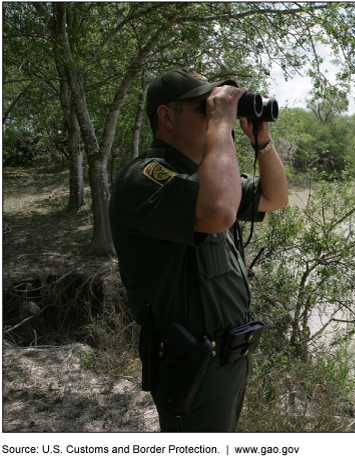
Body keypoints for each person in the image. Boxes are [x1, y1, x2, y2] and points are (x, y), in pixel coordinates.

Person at [108, 67, 288, 432]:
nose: (213, 116)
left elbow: (274, 197)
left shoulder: (208, 176)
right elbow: (219, 211)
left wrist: (261, 142)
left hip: (231, 360)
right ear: (166, 115)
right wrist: (221, 124)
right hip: (192, 365)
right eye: (203, 108)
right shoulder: (144, 177)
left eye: (214, 109)